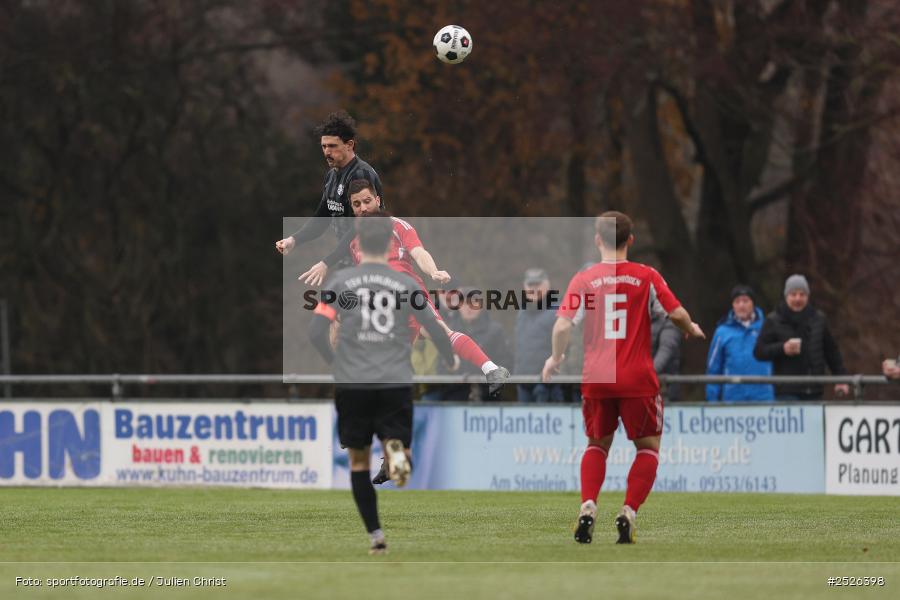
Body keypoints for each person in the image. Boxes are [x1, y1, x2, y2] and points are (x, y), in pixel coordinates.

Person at [541, 211, 705, 545]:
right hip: (636, 377)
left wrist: (555, 358)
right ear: (630, 240)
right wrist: (690, 327)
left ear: (597, 240)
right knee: (648, 447)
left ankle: (588, 506)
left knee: (596, 444)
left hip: (597, 377)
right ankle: (628, 512)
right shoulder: (646, 276)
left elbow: (561, 326)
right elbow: (676, 313)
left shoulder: (584, 279)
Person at [308, 216, 456, 555]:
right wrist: (449, 357)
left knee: (359, 463)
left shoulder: (339, 282)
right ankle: (396, 452)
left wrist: (336, 364)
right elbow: (434, 326)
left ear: (357, 243)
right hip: (394, 380)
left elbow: (315, 333)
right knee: (399, 451)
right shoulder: (405, 283)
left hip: (353, 383)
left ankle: (376, 535)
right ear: (390, 243)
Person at [299, 180, 510, 393]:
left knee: (439, 331)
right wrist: (320, 262)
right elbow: (337, 254)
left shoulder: (397, 226)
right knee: (343, 327)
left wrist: (433, 271)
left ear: (378, 200)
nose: (363, 208)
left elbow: (418, 252)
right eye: (356, 204)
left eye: (367, 201)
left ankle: (492, 369)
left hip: (404, 291)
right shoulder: (353, 236)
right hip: (376, 300)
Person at [275, 111, 383, 257]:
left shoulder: (360, 175)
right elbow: (321, 219)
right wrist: (293, 240)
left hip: (369, 258)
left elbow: (359, 228)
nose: (327, 152)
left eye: (332, 146)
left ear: (349, 145)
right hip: (347, 258)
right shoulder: (331, 176)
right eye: (324, 146)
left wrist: (326, 263)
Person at [753, 274, 849, 400]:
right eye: (793, 294)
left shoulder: (819, 319)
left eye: (802, 294)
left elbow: (831, 352)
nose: (798, 299)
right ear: (786, 296)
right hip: (786, 391)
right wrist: (782, 348)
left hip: (814, 390)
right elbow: (759, 351)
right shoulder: (773, 320)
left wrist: (841, 378)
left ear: (807, 296)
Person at [705, 285, 774, 402]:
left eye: (745, 301)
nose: (741, 305)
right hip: (732, 400)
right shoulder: (722, 332)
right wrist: (712, 402)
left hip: (763, 398)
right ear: (733, 305)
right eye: (737, 301)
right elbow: (713, 370)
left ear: (753, 303)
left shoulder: (767, 327)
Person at [515, 268, 564, 403]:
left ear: (547, 285)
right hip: (523, 382)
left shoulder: (558, 310)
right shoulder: (522, 312)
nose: (534, 289)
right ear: (524, 287)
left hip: (549, 383)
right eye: (530, 285)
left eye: (538, 284)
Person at [650, 310, 681, 402]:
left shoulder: (670, 321)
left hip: (666, 389)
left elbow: (666, 350)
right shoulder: (636, 320)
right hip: (642, 387)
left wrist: (647, 374)